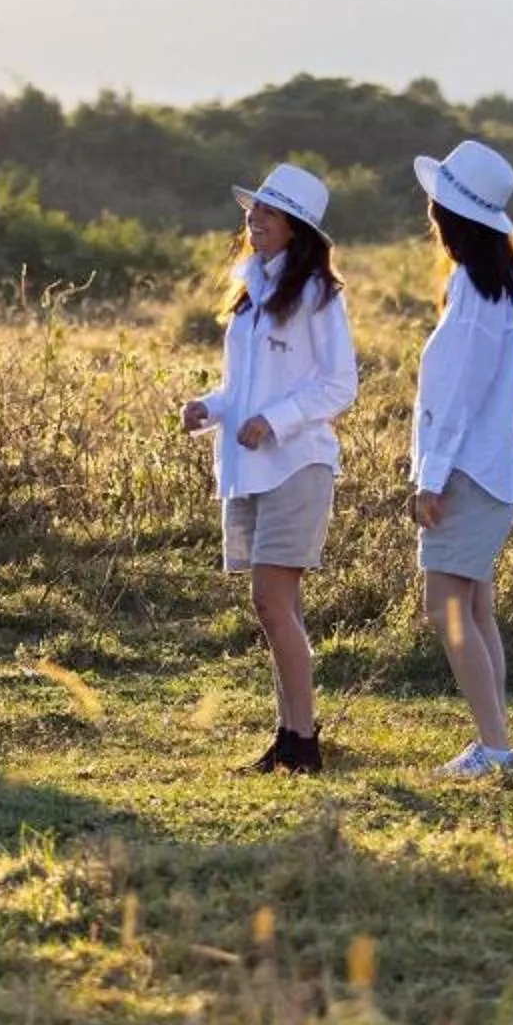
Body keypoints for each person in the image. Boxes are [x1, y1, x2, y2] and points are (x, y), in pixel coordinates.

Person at [181, 162, 358, 774]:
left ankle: (302, 740)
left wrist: (278, 420)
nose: (253, 221)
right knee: (275, 607)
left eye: (268, 213)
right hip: (248, 467)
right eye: (252, 210)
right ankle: (290, 734)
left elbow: (339, 385)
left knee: (270, 601)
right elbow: (243, 387)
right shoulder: (249, 290)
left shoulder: (318, 296)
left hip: (295, 465)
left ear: (297, 228)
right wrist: (210, 406)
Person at [409, 138, 513, 778]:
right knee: (475, 608)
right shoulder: (488, 285)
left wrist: (429, 480)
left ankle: (496, 746)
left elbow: (454, 398)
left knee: (448, 608)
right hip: (486, 470)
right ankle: (496, 738)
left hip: (467, 474)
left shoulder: (479, 298)